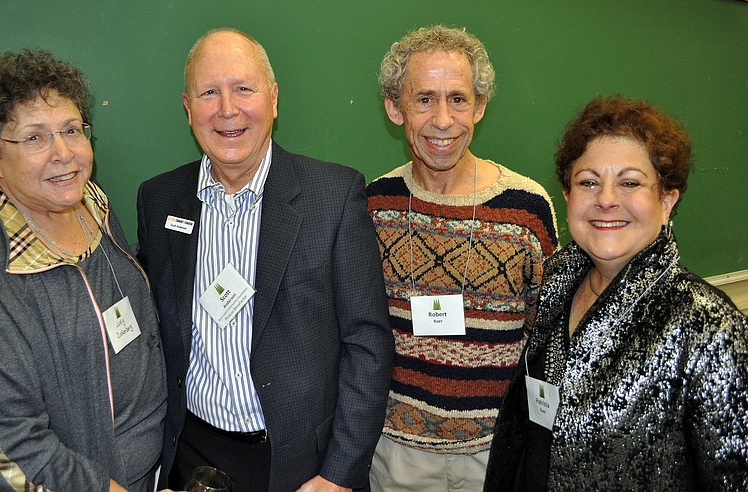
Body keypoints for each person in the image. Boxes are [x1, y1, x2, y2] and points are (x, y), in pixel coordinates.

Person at [136, 28, 394, 492]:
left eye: (243, 89)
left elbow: (367, 345)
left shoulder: (332, 197)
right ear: (187, 106)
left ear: (273, 99)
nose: (227, 109)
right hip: (191, 453)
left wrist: (338, 475)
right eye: (209, 92)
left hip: (299, 464)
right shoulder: (159, 201)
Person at [0, 49, 167, 492]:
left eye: (72, 130)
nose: (64, 154)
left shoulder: (92, 202)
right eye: (34, 138)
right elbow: (2, 451)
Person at [485, 95, 748, 491]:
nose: (606, 199)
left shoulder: (708, 326)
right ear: (568, 196)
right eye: (588, 182)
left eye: (630, 182)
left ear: (667, 200)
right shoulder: (558, 280)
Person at [366, 25, 558, 491]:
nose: (443, 120)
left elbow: (547, 337)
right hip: (395, 458)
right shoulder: (373, 206)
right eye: (424, 99)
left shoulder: (527, 208)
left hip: (496, 456)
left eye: (458, 99)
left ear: (480, 106)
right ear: (396, 108)